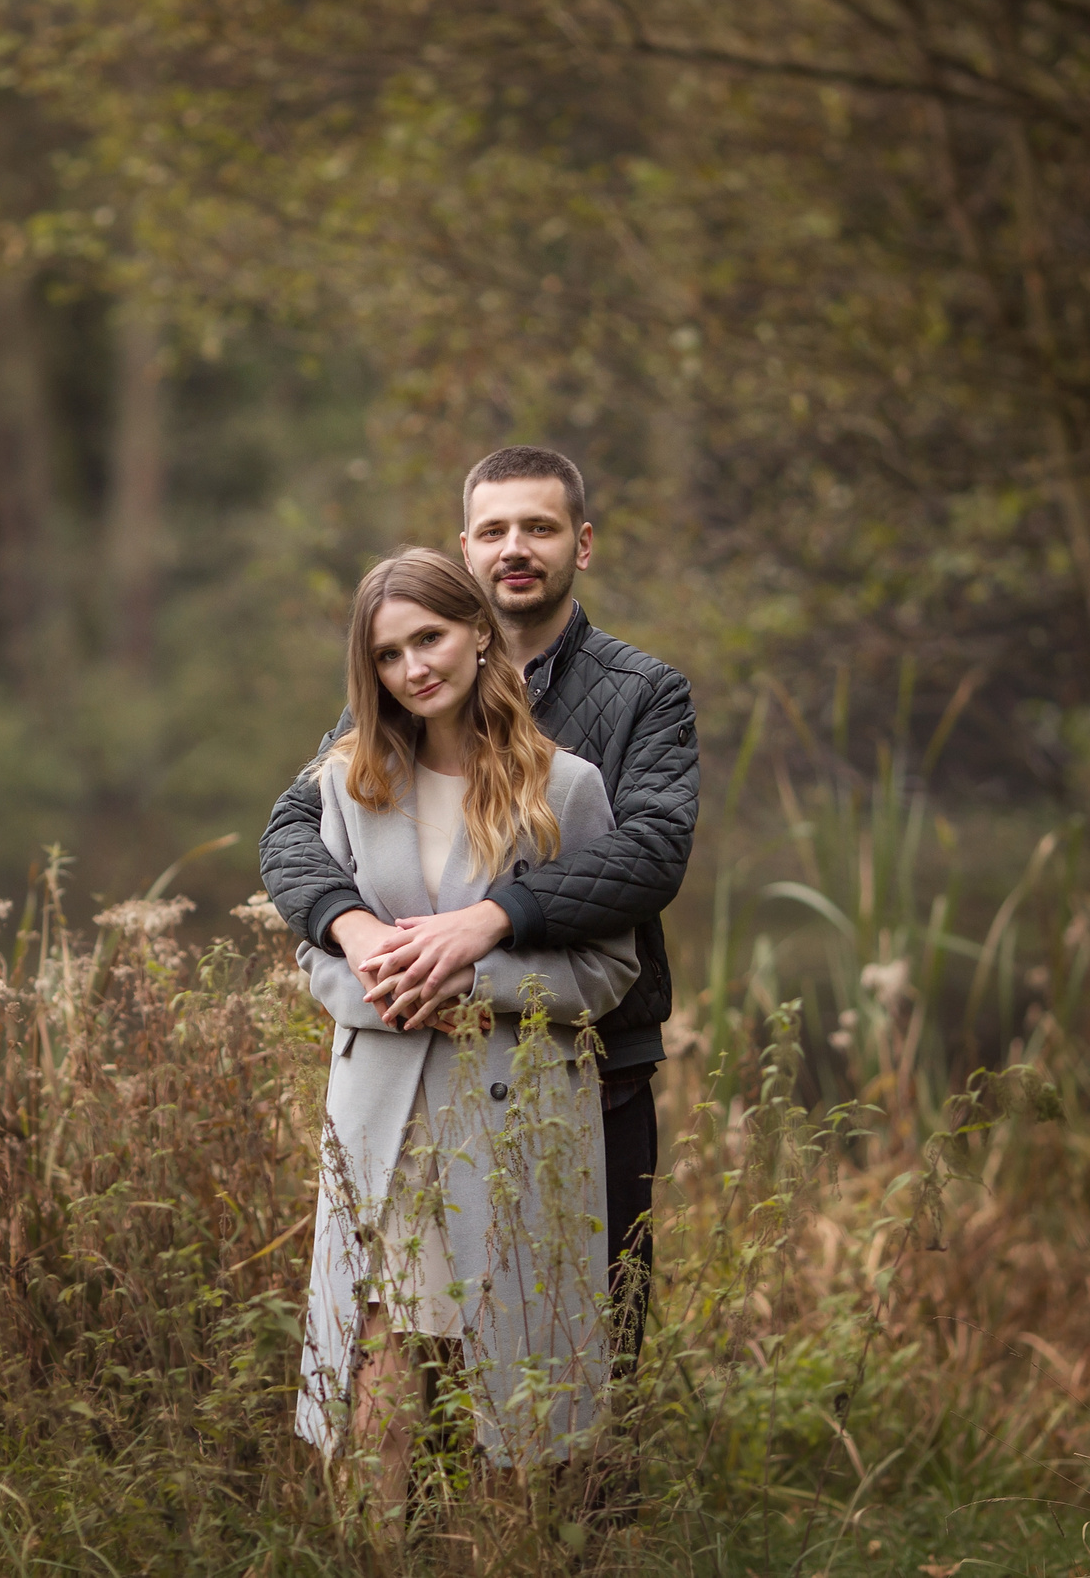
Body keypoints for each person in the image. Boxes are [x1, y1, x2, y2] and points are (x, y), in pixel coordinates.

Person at [261, 446, 699, 1353]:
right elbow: (291, 832)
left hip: (592, 1061)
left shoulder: (642, 693)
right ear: (466, 550)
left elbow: (651, 852)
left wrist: (490, 920)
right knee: (411, 1340)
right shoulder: (406, 684)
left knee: (583, 1338)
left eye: (538, 527)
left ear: (581, 543)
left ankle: (580, 1504)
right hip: (428, 1064)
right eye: (494, 529)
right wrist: (357, 931)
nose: (516, 548)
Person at [285, 547, 637, 1495]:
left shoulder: (566, 787)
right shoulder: (347, 784)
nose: (415, 667)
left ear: (480, 631)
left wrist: (480, 991)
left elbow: (611, 969)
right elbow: (317, 955)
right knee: (381, 1350)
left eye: (430, 637)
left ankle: (508, 1551)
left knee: (516, 1364)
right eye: (390, 655)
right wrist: (395, 990)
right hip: (384, 1117)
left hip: (518, 1116)